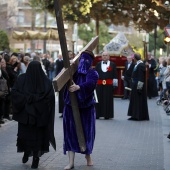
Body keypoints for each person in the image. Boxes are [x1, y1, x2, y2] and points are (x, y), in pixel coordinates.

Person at [11, 61, 56, 169]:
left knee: (26, 135)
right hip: (38, 116)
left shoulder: (22, 79)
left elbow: (15, 92)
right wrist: (37, 101)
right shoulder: (46, 82)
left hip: (26, 116)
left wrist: (27, 99)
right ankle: (35, 157)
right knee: (37, 138)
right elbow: (49, 99)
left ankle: (29, 154)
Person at [63, 50, 99, 170]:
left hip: (86, 108)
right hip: (71, 106)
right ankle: (71, 162)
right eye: (82, 59)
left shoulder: (92, 72)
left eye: (86, 59)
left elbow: (91, 83)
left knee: (87, 133)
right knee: (70, 134)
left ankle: (88, 156)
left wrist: (79, 87)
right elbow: (61, 79)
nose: (84, 62)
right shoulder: (73, 71)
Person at [95, 51, 118, 119]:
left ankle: (107, 115)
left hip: (108, 85)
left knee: (107, 99)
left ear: (109, 57)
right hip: (99, 85)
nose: (104, 56)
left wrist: (115, 85)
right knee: (98, 99)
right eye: (103, 55)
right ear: (101, 56)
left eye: (106, 55)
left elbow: (115, 75)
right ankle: (97, 114)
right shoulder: (98, 64)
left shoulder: (112, 64)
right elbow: (95, 74)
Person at [127, 53, 149, 121]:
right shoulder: (138, 64)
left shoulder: (141, 65)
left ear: (135, 59)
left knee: (138, 101)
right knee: (134, 100)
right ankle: (134, 115)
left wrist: (139, 87)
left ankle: (138, 116)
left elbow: (141, 77)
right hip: (135, 85)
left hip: (138, 86)